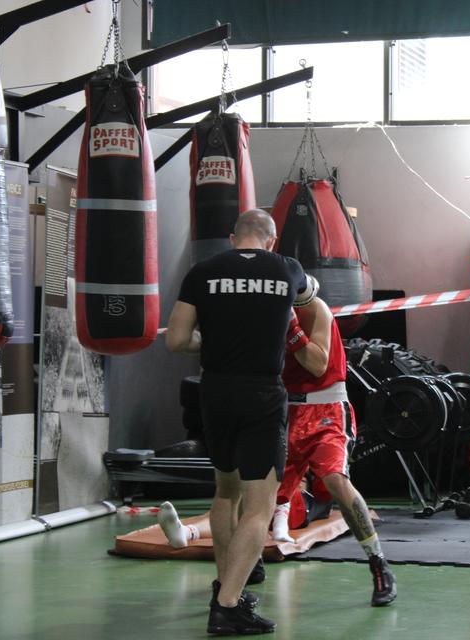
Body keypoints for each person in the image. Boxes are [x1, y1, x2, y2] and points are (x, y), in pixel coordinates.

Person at [166, 209, 308, 636]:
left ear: (232, 237)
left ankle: (224, 587)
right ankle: (228, 605)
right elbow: (307, 298)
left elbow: (175, 340)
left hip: (214, 392)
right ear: (271, 238)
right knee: (260, 503)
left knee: (225, 492)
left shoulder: (202, 271)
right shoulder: (288, 268)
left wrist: (212, 339)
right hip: (261, 394)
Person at [271, 296, 397, 606]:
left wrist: (291, 327)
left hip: (325, 408)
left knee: (335, 480)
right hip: (285, 410)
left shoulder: (315, 308)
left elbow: (316, 365)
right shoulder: (265, 308)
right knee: (260, 491)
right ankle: (246, 567)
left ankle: (378, 563)